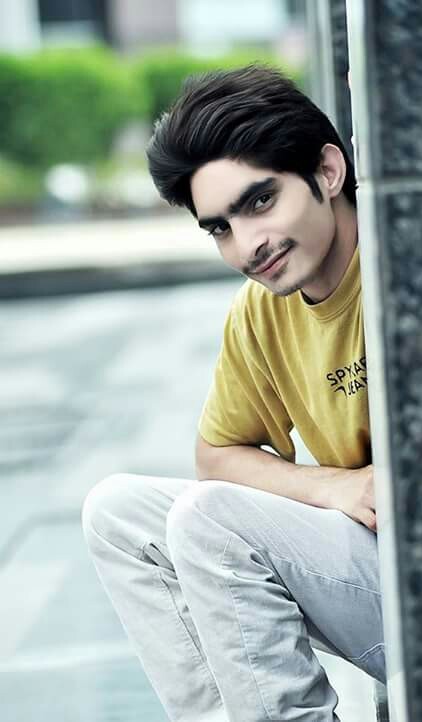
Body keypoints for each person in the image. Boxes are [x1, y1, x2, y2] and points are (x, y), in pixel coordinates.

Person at [82, 65, 385, 722]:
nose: (248, 245)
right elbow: (216, 456)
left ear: (328, 171)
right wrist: (334, 487)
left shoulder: (408, 260)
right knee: (118, 513)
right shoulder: (261, 310)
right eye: (220, 227)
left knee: (211, 521)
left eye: (260, 202)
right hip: (372, 557)